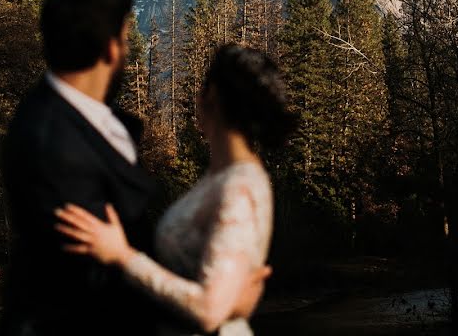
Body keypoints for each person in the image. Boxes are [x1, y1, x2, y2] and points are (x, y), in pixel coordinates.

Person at [0, 0, 267, 336]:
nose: (128, 50)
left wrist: (216, 301)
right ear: (110, 49)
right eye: (126, 39)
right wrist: (219, 308)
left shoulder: (92, 119)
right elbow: (88, 287)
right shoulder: (51, 142)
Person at [55, 44, 294, 336]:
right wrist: (232, 305)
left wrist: (121, 255)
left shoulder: (239, 187)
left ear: (213, 97)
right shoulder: (224, 177)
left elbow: (208, 310)